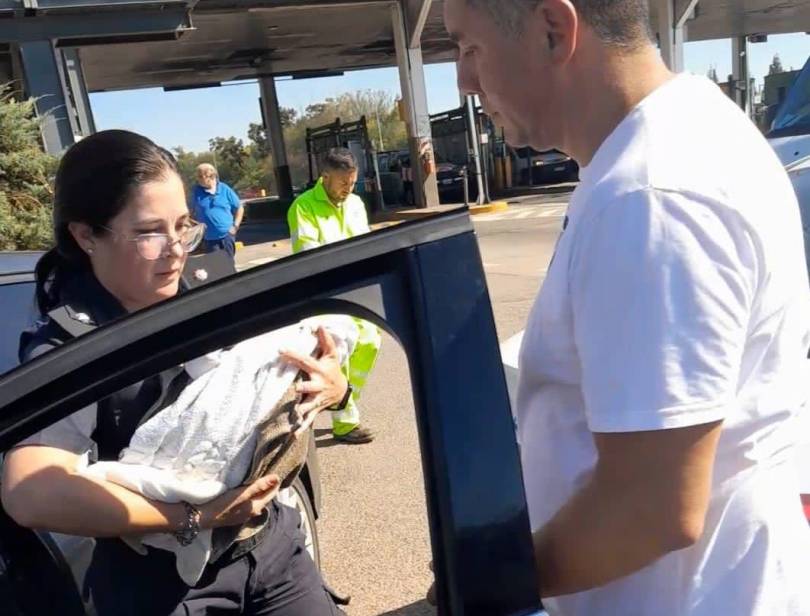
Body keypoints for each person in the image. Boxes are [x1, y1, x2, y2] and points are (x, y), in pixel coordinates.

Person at [443, 1, 810, 614]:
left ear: (553, 31)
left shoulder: (651, 195)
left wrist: (490, 579)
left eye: (468, 47)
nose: (462, 79)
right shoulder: (684, 130)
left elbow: (652, 507)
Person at [0, 130, 348, 616]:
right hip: (167, 587)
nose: (175, 249)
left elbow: (281, 371)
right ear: (85, 236)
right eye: (148, 232)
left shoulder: (211, 288)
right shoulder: (70, 345)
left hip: (274, 549)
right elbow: (30, 492)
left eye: (183, 226)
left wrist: (331, 385)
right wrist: (194, 516)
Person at [287, 148, 380, 445]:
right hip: (325, 291)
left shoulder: (355, 204)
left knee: (370, 342)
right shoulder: (303, 207)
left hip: (358, 287)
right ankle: (345, 421)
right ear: (324, 176)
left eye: (352, 183)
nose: (348, 189)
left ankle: (341, 398)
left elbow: (365, 242)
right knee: (341, 350)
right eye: (343, 183)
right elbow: (308, 255)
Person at [191, 163, 244, 260]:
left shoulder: (224, 189)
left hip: (227, 236)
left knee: (228, 264)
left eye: (200, 176)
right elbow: (190, 213)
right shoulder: (196, 192)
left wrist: (235, 226)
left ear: (211, 176)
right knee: (216, 267)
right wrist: (196, 230)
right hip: (209, 238)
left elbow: (239, 208)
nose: (198, 179)